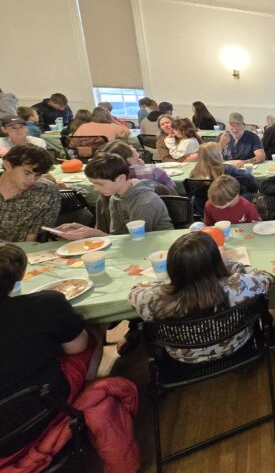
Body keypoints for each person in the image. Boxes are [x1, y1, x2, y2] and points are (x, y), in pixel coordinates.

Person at [0, 243, 101, 451]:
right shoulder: (45, 304)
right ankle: (87, 400)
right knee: (92, 333)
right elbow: (77, 347)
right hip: (44, 410)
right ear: (17, 276)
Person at [128, 231, 273, 363]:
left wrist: (165, 283)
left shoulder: (155, 299)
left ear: (172, 268)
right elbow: (267, 278)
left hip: (183, 358)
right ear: (216, 261)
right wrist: (230, 265)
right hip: (236, 346)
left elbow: (135, 292)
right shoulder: (239, 285)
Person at [57, 153, 173, 238]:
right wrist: (85, 230)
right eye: (93, 184)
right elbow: (117, 235)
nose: (96, 189)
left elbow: (137, 239)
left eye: (100, 184)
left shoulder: (146, 202)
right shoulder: (115, 197)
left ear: (121, 178)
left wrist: (95, 234)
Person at [0, 145, 60, 242]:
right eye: (27, 173)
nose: (32, 180)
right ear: (8, 165)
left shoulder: (45, 191)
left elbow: (32, 239)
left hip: (20, 253)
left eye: (38, 175)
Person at [189, 142, 258, 216]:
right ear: (218, 155)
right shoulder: (228, 169)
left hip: (202, 210)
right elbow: (250, 180)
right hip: (231, 207)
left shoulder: (194, 173)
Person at [101, 140, 176, 192]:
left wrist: (142, 167)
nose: (131, 145)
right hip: (161, 205)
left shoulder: (114, 177)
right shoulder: (154, 170)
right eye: (127, 147)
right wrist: (144, 168)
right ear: (129, 159)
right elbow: (172, 186)